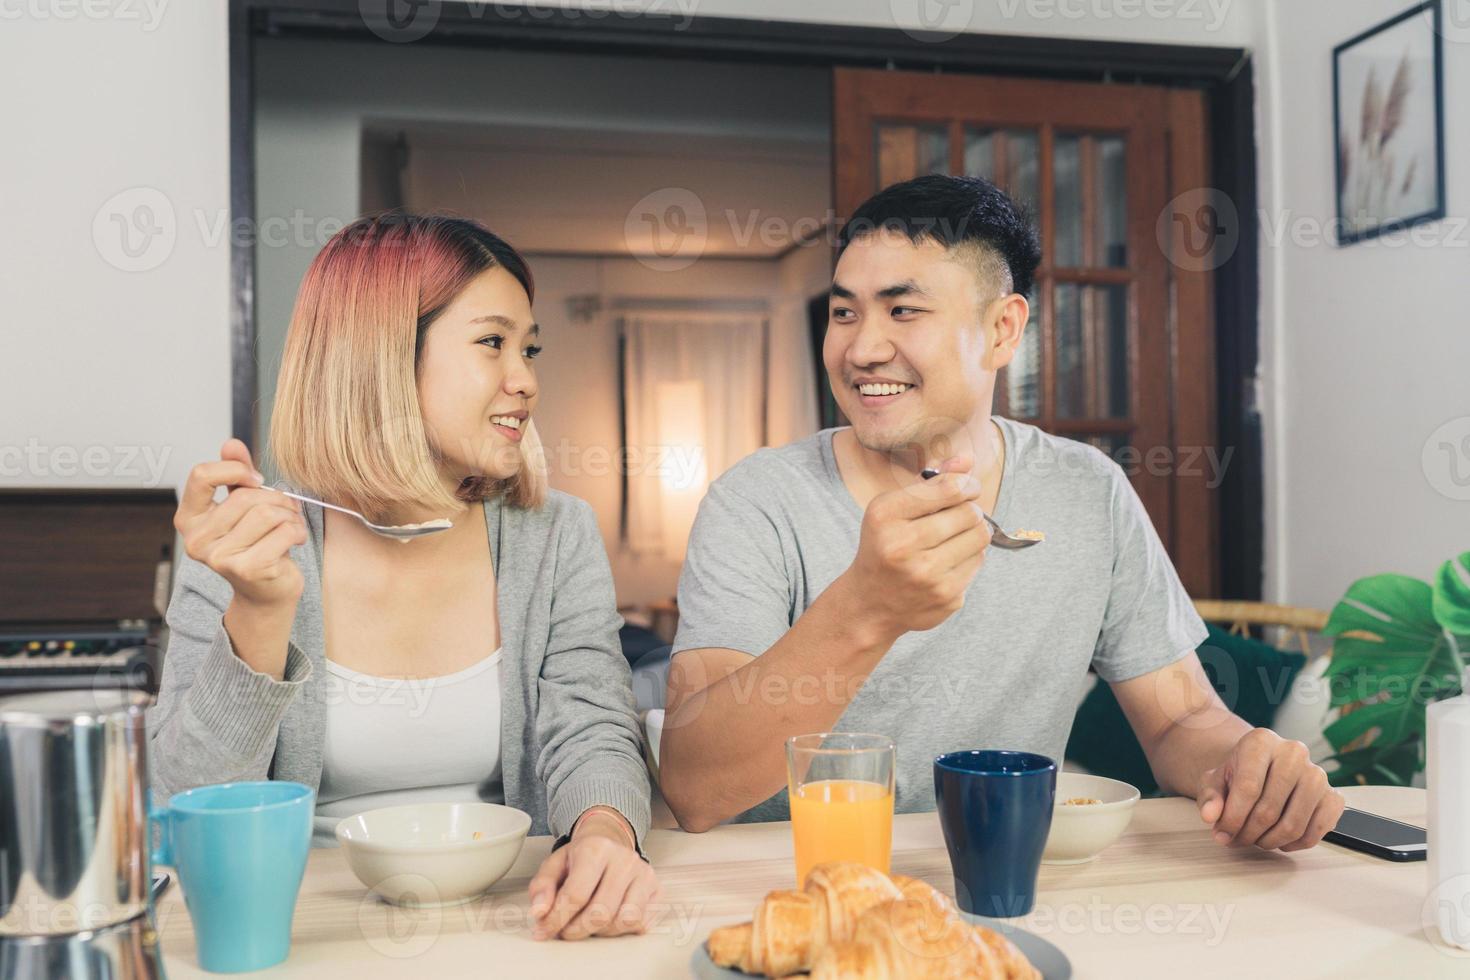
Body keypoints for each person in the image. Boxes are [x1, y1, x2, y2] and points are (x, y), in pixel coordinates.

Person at [660, 174, 1343, 854]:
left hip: (1001, 877)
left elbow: (1181, 721)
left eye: (902, 311)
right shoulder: (757, 501)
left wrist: (1249, 766)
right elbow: (694, 785)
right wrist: (866, 609)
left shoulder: (1087, 491)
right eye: (844, 313)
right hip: (791, 889)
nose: (861, 349)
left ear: (1002, 329)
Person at [151, 214, 658, 941]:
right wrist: (259, 614)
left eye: (529, 348)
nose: (527, 381)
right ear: (381, 358)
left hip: (517, 920)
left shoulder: (553, 534)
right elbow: (179, 805)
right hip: (306, 929)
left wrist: (604, 833)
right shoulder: (248, 547)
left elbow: (592, 723)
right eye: (492, 343)